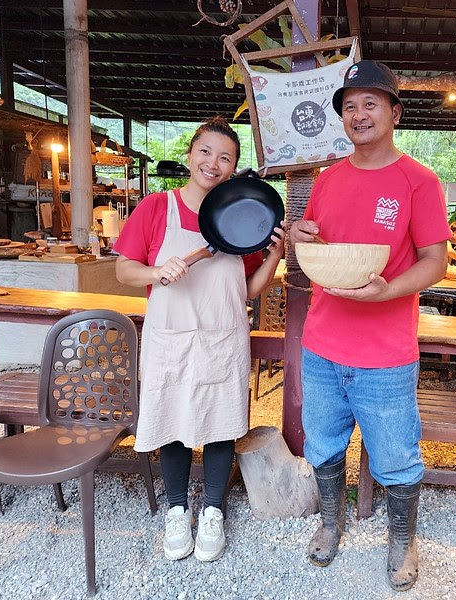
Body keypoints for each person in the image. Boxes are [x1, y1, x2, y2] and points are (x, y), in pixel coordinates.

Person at [289, 60, 450, 591]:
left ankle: (402, 541)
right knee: (324, 443)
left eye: (370, 104)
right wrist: (302, 236)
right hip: (322, 344)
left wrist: (389, 289)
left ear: (395, 113)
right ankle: (331, 522)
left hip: (385, 350)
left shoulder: (419, 182)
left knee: (397, 455)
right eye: (350, 106)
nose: (359, 115)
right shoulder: (328, 178)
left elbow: (434, 260)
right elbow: (318, 244)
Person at [114, 116, 285, 562]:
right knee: (171, 418)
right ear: (191, 154)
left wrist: (276, 254)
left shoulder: (238, 219)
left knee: (220, 420)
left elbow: (245, 290)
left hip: (223, 336)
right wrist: (155, 271)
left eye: (225, 157)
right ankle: (175, 511)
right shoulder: (156, 207)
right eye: (206, 152)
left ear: (233, 169)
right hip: (170, 337)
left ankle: (212, 509)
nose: (213, 163)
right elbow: (123, 269)